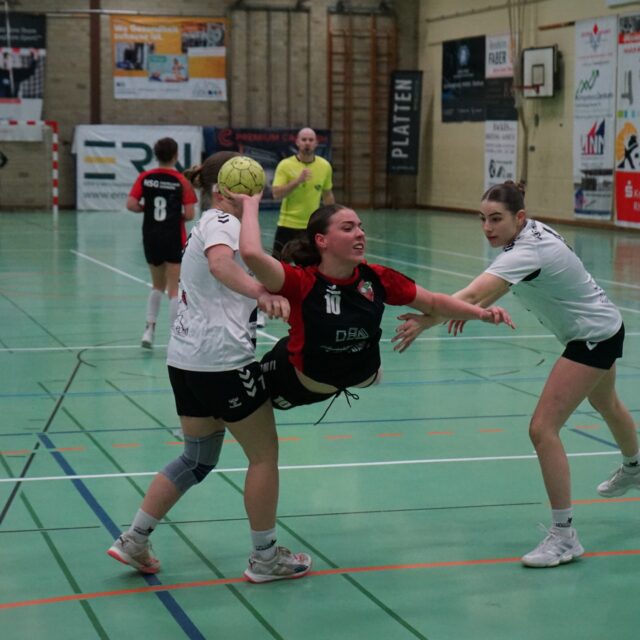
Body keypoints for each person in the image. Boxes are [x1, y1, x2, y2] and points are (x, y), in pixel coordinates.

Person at [392, 180, 639, 569]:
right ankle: (635, 467)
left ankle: (564, 537)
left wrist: (428, 320)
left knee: (542, 429)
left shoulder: (527, 249)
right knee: (606, 402)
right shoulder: (530, 234)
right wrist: (473, 310)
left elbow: (472, 294)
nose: (487, 227)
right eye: (482, 219)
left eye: (496, 219)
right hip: (604, 325)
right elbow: (499, 287)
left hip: (591, 338)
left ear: (519, 217)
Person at [108, 152, 312, 584]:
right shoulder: (223, 223)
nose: (254, 191)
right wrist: (260, 293)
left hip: (186, 361)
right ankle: (265, 557)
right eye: (248, 184)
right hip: (222, 361)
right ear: (224, 189)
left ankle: (134, 539)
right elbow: (220, 265)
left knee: (197, 458)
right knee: (264, 456)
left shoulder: (207, 222)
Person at [232, 194, 514, 415]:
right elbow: (252, 254)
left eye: (361, 227)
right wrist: (251, 204)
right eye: (348, 228)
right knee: (287, 346)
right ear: (321, 240)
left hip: (310, 381)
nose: (360, 234)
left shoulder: (375, 278)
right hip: (361, 375)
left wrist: (481, 313)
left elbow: (434, 302)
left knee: (245, 391)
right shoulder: (301, 281)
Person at [127, 137, 197, 349]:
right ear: (176, 156)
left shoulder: (145, 177)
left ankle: (149, 330)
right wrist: (174, 216)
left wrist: (146, 209)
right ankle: (175, 336)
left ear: (155, 155)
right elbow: (190, 214)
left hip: (151, 236)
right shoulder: (181, 181)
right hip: (173, 236)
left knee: (157, 285)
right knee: (174, 289)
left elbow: (131, 204)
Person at [271, 127, 335, 260]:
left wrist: (333, 218)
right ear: (297, 142)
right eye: (304, 139)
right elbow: (276, 194)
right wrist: (297, 181)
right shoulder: (285, 165)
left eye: (311, 140)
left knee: (311, 266)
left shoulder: (325, 166)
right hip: (287, 225)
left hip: (311, 226)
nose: (307, 143)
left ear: (316, 143)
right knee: (278, 265)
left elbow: (327, 194)